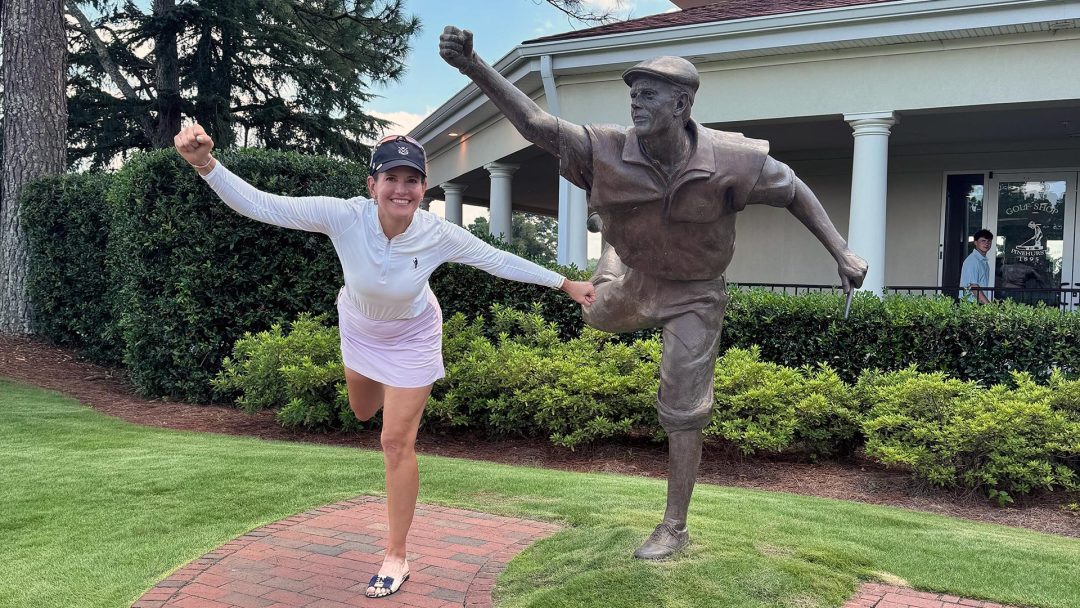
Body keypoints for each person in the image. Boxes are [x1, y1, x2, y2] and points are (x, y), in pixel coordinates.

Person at [440, 26, 868, 560]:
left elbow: (795, 190)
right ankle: (611, 255)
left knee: (684, 407)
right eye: (633, 94)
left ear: (681, 104)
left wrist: (841, 250)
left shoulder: (734, 159)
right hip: (637, 281)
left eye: (648, 95)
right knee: (595, 312)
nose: (636, 103)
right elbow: (536, 124)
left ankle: (674, 527)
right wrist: (475, 65)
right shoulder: (605, 147)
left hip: (694, 293)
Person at [172, 125, 596, 598]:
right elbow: (262, 204)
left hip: (414, 335)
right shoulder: (343, 216)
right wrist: (204, 164)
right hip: (359, 329)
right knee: (361, 409)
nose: (401, 189)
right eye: (391, 178)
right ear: (372, 185)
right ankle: (367, 384)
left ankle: (396, 555)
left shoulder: (438, 234)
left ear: (423, 187)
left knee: (395, 441)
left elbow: (497, 259)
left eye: (411, 180)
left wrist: (565, 285)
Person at [960, 229, 993, 304]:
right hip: (970, 304)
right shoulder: (973, 261)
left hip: (977, 303)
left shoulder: (982, 260)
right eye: (983, 241)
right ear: (975, 242)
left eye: (989, 241)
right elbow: (973, 287)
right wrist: (989, 306)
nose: (987, 243)